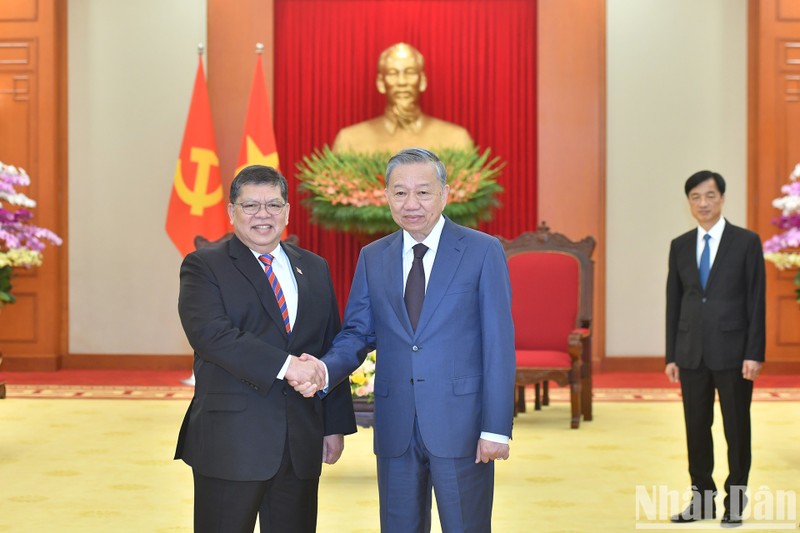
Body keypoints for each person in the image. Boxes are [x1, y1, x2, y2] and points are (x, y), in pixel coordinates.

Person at [294, 148, 516, 533]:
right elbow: (357, 333)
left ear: (445, 193)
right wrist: (324, 368)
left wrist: (496, 428)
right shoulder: (373, 257)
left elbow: (499, 345)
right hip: (396, 427)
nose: (411, 203)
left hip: (461, 426)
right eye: (400, 193)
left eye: (423, 192)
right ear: (386, 196)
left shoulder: (482, 251)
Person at [174, 165, 356, 533]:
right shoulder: (204, 266)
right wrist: (287, 366)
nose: (263, 215)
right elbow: (213, 335)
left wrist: (333, 426)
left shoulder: (315, 268)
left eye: (273, 205)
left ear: (287, 211)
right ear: (231, 212)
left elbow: (329, 344)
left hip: (300, 443)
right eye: (251, 205)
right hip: (231, 441)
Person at [665, 170, 765, 528]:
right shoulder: (679, 245)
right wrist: (671, 355)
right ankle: (702, 499)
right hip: (691, 353)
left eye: (709, 196)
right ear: (689, 202)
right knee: (696, 428)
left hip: (736, 354)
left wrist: (755, 352)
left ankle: (735, 501)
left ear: (722, 198)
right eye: (695, 197)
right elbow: (674, 302)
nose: (703, 203)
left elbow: (756, 300)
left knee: (736, 430)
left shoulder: (746, 242)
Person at [331, 43, 474, 154]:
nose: (402, 82)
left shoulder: (456, 140)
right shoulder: (349, 141)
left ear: (422, 81)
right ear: (381, 83)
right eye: (393, 73)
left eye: (410, 72)